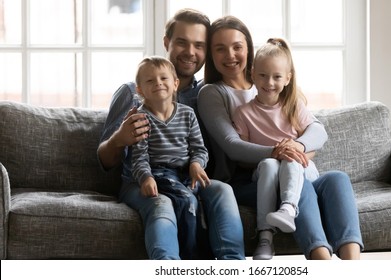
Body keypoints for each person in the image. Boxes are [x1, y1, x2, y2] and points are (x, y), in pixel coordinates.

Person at [198, 15, 363, 260]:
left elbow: (316, 130)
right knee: (301, 185)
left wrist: (297, 147)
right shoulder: (213, 93)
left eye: (237, 47)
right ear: (211, 54)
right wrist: (281, 152)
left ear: (249, 51)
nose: (230, 55)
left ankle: (353, 263)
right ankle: (321, 259)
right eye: (220, 48)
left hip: (295, 166)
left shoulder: (271, 81)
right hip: (251, 179)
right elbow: (233, 146)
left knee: (337, 179)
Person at [97, 9, 245, 260]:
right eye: (181, 42)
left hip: (187, 178)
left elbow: (210, 148)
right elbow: (103, 161)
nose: (190, 52)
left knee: (221, 191)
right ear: (166, 42)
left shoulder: (207, 97)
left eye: (199, 45)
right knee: (161, 203)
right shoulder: (133, 93)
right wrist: (120, 138)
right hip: (143, 180)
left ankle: (233, 265)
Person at [232, 38, 321, 259]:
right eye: (262, 75)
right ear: (252, 74)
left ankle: (288, 209)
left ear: (287, 79)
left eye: (277, 77)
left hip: (302, 170)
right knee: (270, 163)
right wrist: (273, 154)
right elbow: (242, 157)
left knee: (289, 160)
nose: (269, 82)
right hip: (266, 172)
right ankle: (265, 239)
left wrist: (296, 153)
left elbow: (317, 139)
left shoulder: (293, 106)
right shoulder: (243, 113)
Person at [131, 56, 210, 259]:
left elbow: (200, 149)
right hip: (160, 173)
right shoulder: (141, 119)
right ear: (139, 90)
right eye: (150, 80)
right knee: (187, 200)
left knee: (200, 203)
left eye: (163, 78)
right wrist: (145, 178)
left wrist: (196, 164)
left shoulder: (188, 114)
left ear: (175, 84)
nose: (158, 82)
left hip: (186, 172)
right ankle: (191, 259)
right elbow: (139, 158)